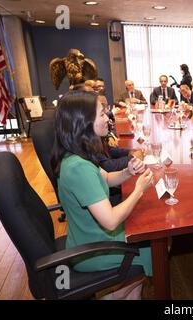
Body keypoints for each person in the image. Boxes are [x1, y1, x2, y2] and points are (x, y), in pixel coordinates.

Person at [51, 90, 154, 298]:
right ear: (85, 122)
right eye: (102, 114)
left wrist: (128, 172)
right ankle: (114, 296)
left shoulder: (75, 154)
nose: (107, 118)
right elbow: (110, 221)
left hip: (84, 236)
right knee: (157, 245)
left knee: (149, 230)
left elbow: (106, 178)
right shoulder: (79, 168)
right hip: (93, 248)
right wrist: (138, 190)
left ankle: (129, 293)